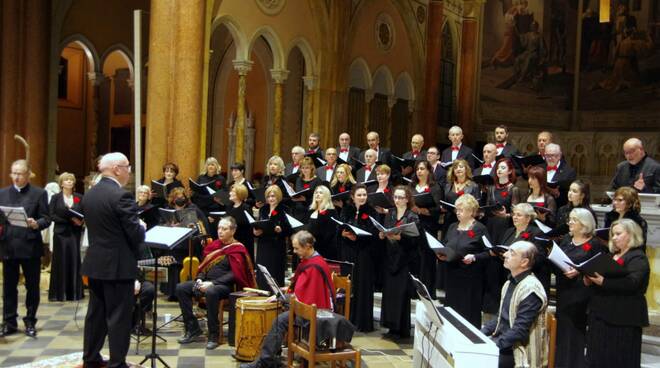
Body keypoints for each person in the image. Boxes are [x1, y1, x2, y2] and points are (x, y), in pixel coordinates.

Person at [80, 152, 146, 368]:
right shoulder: (121, 195)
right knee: (119, 316)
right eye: (128, 166)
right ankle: (117, 363)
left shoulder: (90, 194)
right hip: (117, 266)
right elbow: (134, 234)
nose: (129, 171)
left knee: (95, 314)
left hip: (96, 263)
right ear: (117, 169)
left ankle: (91, 357)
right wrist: (141, 227)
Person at [240, 230, 337, 368]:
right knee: (280, 313)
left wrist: (282, 296)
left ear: (308, 246)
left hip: (316, 313)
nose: (294, 251)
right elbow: (302, 289)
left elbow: (305, 299)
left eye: (297, 248)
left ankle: (265, 361)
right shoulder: (311, 261)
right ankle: (272, 355)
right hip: (310, 306)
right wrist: (287, 290)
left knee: (280, 321)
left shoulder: (315, 266)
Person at [176, 217, 255, 350]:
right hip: (206, 282)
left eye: (224, 229)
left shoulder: (237, 249)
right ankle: (193, 328)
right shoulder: (213, 246)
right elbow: (202, 267)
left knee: (211, 292)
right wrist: (200, 279)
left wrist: (212, 283)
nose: (220, 231)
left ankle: (214, 334)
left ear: (233, 231)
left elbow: (234, 274)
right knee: (181, 288)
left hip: (225, 286)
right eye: (219, 228)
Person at [584, 219, 649, 368]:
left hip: (623, 318)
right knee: (597, 356)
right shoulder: (610, 255)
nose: (613, 238)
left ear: (632, 235)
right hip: (601, 315)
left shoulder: (638, 257)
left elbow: (633, 283)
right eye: (613, 234)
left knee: (619, 358)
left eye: (618, 234)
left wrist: (603, 282)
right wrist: (589, 280)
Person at [0, 159, 50, 338]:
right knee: (8, 287)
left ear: (28, 174)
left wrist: (36, 223)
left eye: (20, 173)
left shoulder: (39, 193)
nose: (16, 177)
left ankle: (30, 320)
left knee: (32, 287)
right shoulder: (3, 193)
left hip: (30, 247)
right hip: (9, 246)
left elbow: (47, 218)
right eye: (13, 173)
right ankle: (9, 322)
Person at [481, 241, 548, 368]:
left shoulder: (531, 289)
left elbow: (520, 330)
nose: (505, 254)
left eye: (512, 253)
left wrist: (492, 344)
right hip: (506, 342)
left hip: (519, 350)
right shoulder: (509, 283)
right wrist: (481, 333)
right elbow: (500, 318)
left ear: (524, 262)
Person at [553, 209, 605, 368]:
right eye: (570, 220)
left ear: (584, 224)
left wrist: (579, 270)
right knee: (562, 330)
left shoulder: (594, 243)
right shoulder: (567, 240)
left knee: (576, 331)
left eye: (573, 220)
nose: (569, 223)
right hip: (564, 289)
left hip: (581, 293)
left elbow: (599, 267)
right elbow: (558, 260)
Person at [437, 194, 489, 327]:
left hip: (470, 278)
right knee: (452, 311)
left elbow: (489, 252)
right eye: (457, 209)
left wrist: (474, 257)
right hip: (452, 275)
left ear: (471, 211)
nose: (458, 212)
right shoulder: (452, 226)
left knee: (468, 312)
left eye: (461, 210)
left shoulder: (480, 228)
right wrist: (441, 254)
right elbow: (445, 245)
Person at [380, 186, 420, 339]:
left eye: (401, 197)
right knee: (389, 293)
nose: (397, 200)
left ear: (407, 199)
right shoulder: (390, 213)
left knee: (401, 294)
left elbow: (416, 239)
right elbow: (386, 229)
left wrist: (401, 238)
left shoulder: (412, 216)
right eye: (395, 197)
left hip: (404, 259)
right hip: (390, 258)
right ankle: (390, 325)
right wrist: (383, 234)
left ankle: (401, 328)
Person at [339, 183, 378, 332]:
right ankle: (347, 320)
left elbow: (373, 233)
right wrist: (342, 233)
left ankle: (362, 322)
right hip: (348, 252)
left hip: (364, 253)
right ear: (352, 196)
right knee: (349, 285)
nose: (362, 198)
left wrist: (358, 238)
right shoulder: (346, 210)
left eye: (364, 195)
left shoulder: (371, 211)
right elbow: (339, 227)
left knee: (362, 285)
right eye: (359, 195)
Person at [48, 172, 84, 302]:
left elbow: (83, 212)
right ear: (61, 183)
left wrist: (80, 221)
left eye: (71, 180)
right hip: (60, 233)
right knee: (60, 261)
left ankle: (74, 293)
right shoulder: (55, 198)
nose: (69, 182)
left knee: (74, 260)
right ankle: (58, 293)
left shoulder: (79, 197)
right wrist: (69, 220)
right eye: (67, 180)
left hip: (74, 233)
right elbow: (51, 215)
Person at [409, 160, 443, 297]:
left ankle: (427, 290)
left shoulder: (435, 188)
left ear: (429, 171)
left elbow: (437, 209)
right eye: (417, 169)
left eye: (422, 169)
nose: (419, 171)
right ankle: (412, 289)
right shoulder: (411, 186)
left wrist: (421, 210)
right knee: (414, 256)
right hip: (413, 225)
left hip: (428, 226)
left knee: (427, 258)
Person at [253, 185, 292, 288]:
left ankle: (275, 296)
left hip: (276, 245)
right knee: (262, 271)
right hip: (263, 244)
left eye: (273, 196)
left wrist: (280, 230)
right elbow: (259, 224)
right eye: (269, 196)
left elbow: (290, 229)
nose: (271, 199)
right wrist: (256, 232)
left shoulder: (284, 209)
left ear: (278, 196)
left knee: (274, 271)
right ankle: (262, 291)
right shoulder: (263, 209)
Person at [305, 186, 338, 259]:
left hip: (325, 249)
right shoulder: (311, 211)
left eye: (321, 193)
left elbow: (330, 233)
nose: (317, 194)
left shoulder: (331, 211)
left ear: (326, 195)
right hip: (310, 247)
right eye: (316, 192)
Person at [225, 184, 255, 259]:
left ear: (239, 194)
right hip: (230, 240)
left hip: (242, 243)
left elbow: (250, 226)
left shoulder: (246, 208)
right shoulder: (230, 206)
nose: (230, 193)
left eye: (232, 191)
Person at [544, 143, 576, 208]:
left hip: (558, 208)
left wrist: (558, 194)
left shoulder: (569, 172)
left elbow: (569, 195)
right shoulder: (539, 168)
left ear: (559, 156)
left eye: (552, 155)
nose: (550, 158)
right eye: (547, 155)